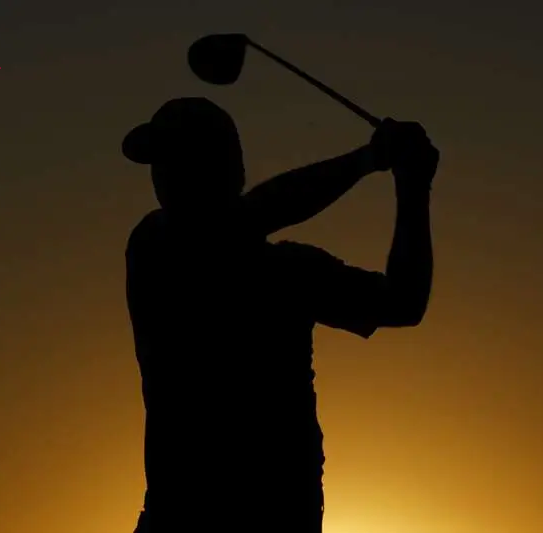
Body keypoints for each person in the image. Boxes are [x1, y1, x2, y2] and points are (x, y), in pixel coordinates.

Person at [122, 97, 438, 532]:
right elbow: (250, 216)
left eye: (176, 160)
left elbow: (404, 303)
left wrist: (412, 186)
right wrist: (373, 160)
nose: (162, 177)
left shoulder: (290, 271)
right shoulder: (152, 245)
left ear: (222, 167)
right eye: (160, 165)